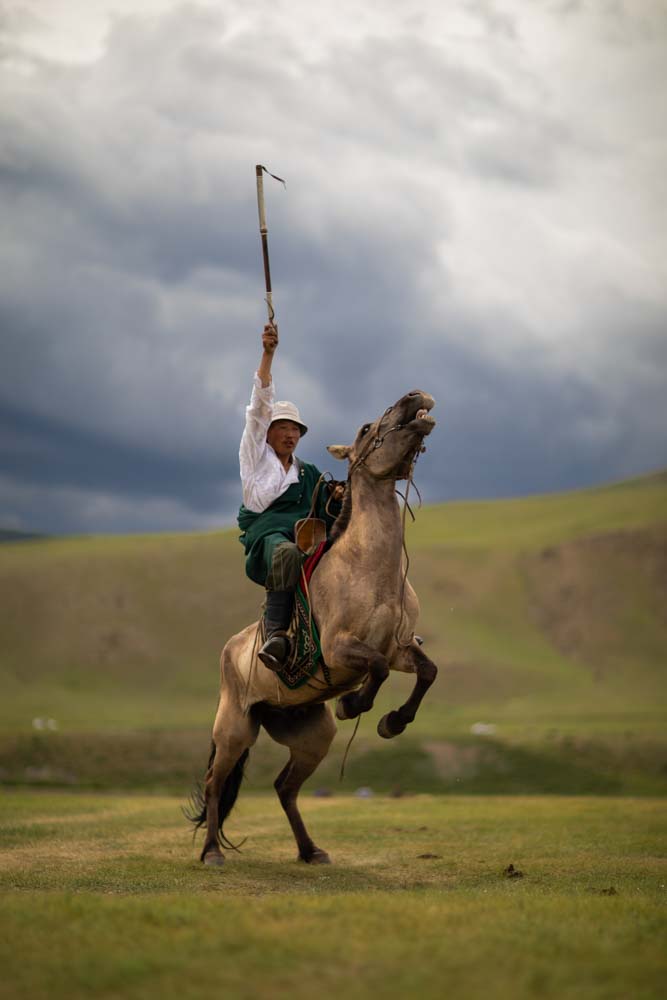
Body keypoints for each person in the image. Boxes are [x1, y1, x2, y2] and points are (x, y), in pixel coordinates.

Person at [237, 322, 343, 672]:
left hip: (307, 535)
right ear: (266, 432)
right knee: (285, 552)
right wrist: (268, 354)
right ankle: (277, 632)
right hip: (268, 538)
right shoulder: (254, 456)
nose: (290, 434)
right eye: (283, 427)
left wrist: (340, 496)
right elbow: (258, 405)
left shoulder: (308, 472)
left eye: (295, 429)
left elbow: (327, 509)